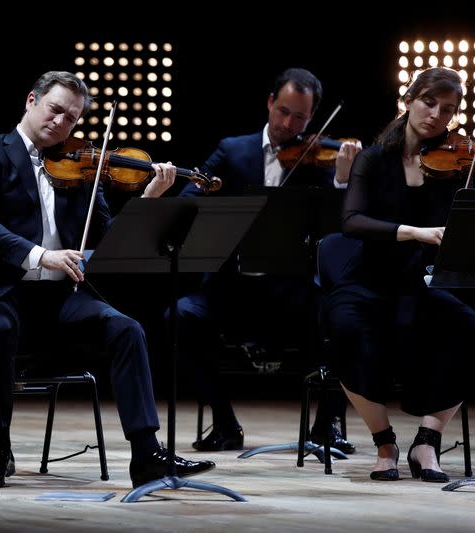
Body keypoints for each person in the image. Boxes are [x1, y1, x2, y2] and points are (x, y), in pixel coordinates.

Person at [0, 70, 214, 489]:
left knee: (126, 328)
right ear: (31, 100)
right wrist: (42, 255)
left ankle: (146, 454)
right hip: (1, 290)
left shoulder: (80, 167)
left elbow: (106, 241)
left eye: (72, 118)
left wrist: (148, 198)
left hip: (58, 299)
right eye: (55, 110)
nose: (61, 123)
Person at [145, 67, 361, 453]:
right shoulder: (232, 151)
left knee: (346, 317)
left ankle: (326, 425)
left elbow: (344, 220)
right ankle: (225, 423)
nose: (288, 123)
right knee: (178, 317)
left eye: (300, 117)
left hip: (291, 290)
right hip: (232, 288)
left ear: (312, 118)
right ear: (269, 102)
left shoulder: (324, 160)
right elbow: (185, 203)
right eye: (282, 111)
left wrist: (342, 177)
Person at [326, 67, 474, 482]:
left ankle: (428, 440)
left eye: (447, 110)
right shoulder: (373, 160)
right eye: (429, 102)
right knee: (344, 325)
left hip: (419, 283)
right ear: (409, 100)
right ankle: (385, 443)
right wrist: (413, 232)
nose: (435, 115)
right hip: (367, 280)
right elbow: (351, 221)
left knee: (467, 325)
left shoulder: (455, 166)